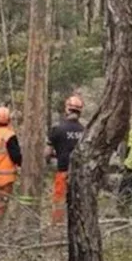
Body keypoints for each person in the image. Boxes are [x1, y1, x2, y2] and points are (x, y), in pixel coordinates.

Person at [47, 95, 85, 225]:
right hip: (80, 173)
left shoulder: (57, 129)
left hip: (63, 170)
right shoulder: (85, 131)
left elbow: (47, 153)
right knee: (77, 202)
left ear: (67, 109)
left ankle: (57, 226)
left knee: (59, 201)